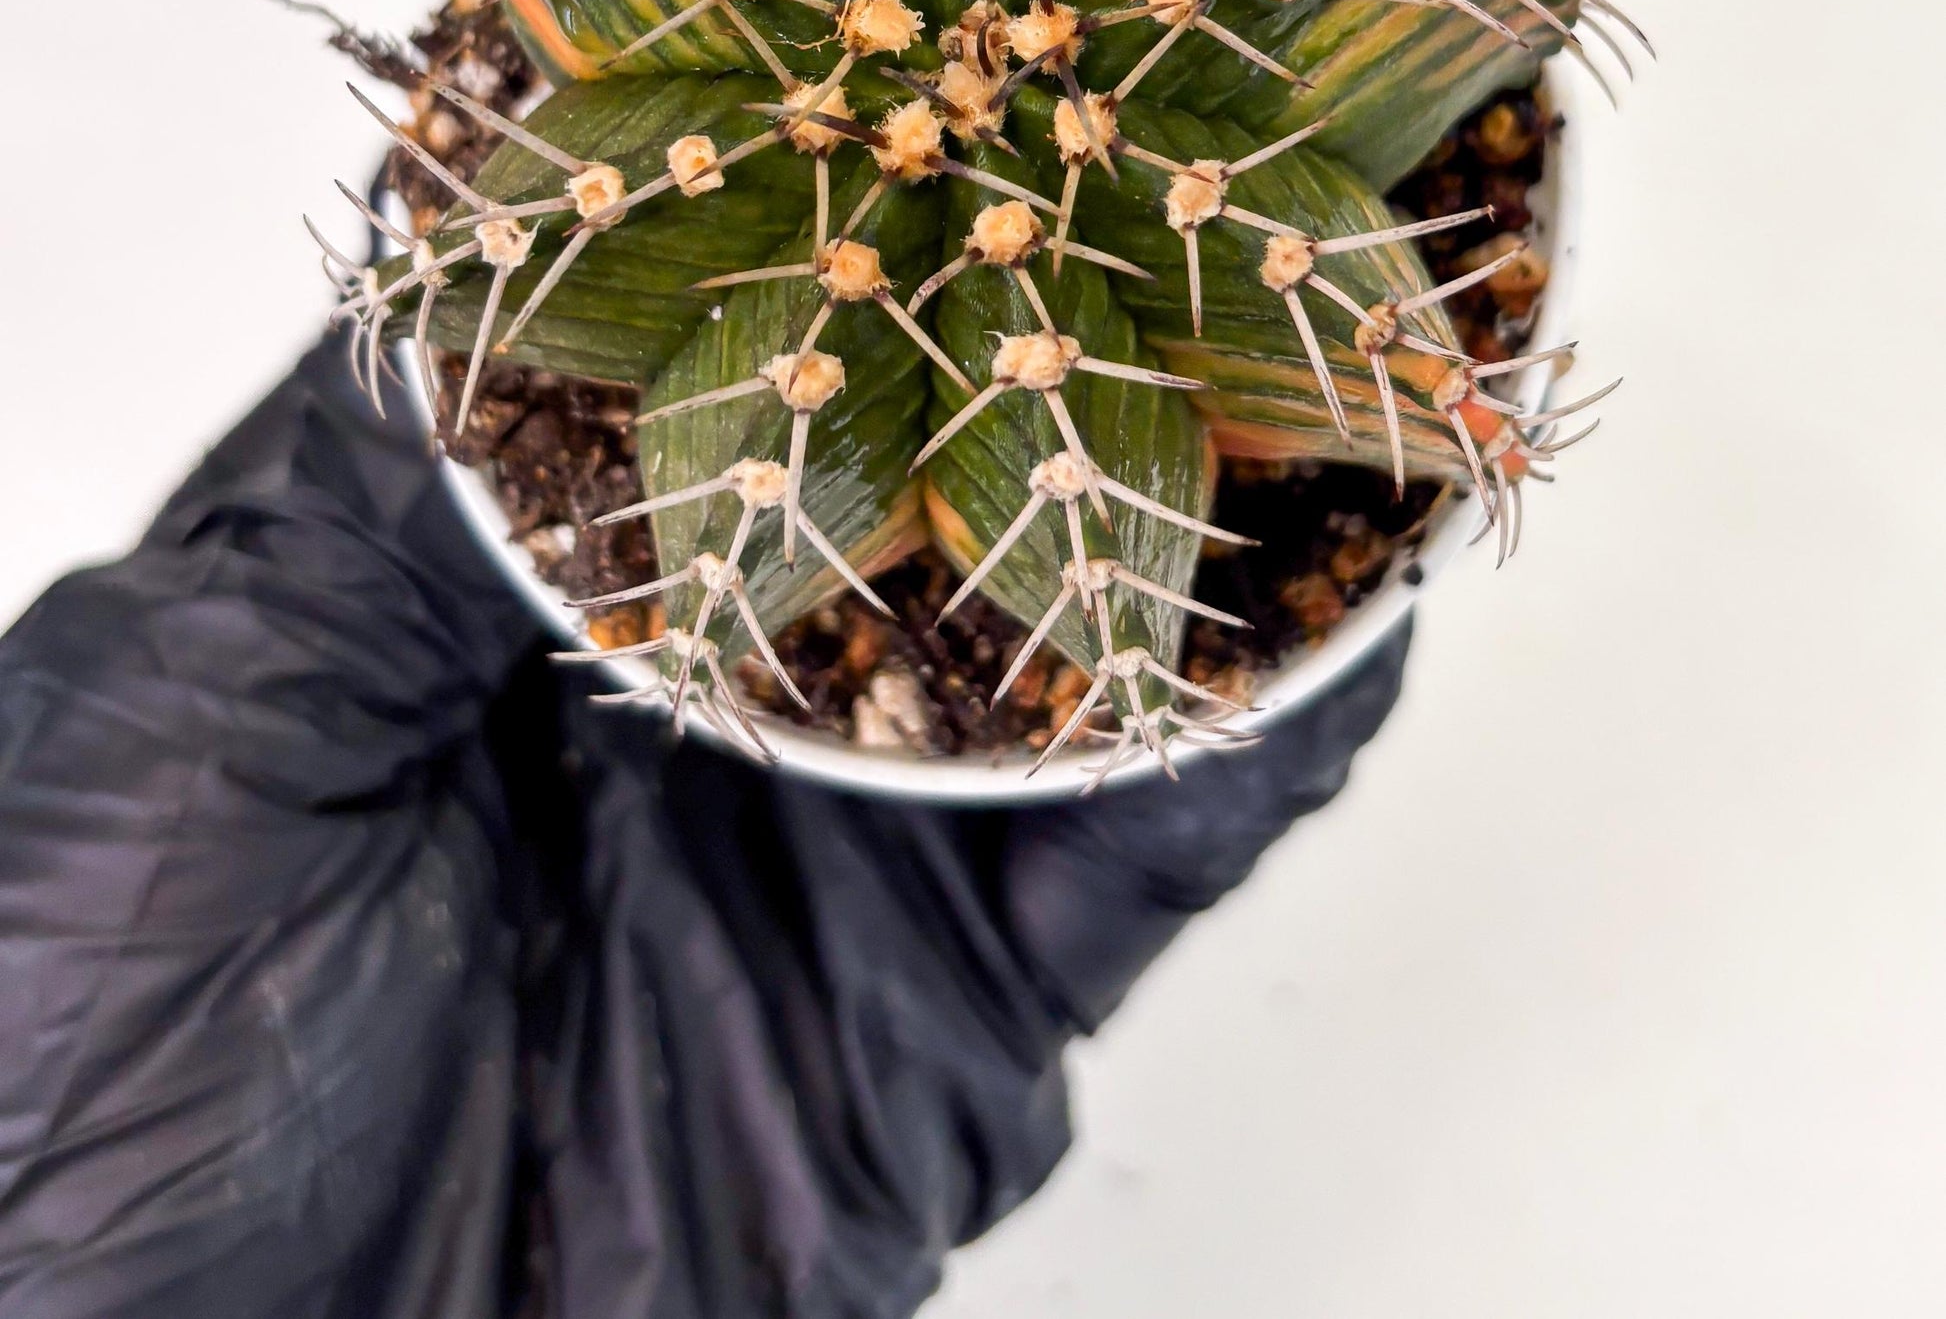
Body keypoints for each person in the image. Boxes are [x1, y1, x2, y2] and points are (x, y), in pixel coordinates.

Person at [0, 337, 1407, 1318]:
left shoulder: (73, 1097)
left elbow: (341, 574)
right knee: (1278, 579)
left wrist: (504, 362)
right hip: (860, 960)